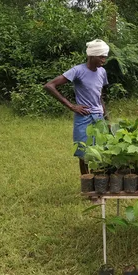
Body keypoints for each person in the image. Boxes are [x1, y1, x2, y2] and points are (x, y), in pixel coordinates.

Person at [44, 39, 110, 175]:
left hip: (98, 117)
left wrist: (106, 115)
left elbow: (100, 95)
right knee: (83, 152)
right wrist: (72, 106)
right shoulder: (78, 71)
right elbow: (49, 86)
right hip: (84, 116)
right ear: (92, 56)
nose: (104, 60)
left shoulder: (102, 72)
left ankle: (97, 182)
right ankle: (86, 182)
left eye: (105, 57)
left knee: (100, 150)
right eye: (101, 57)